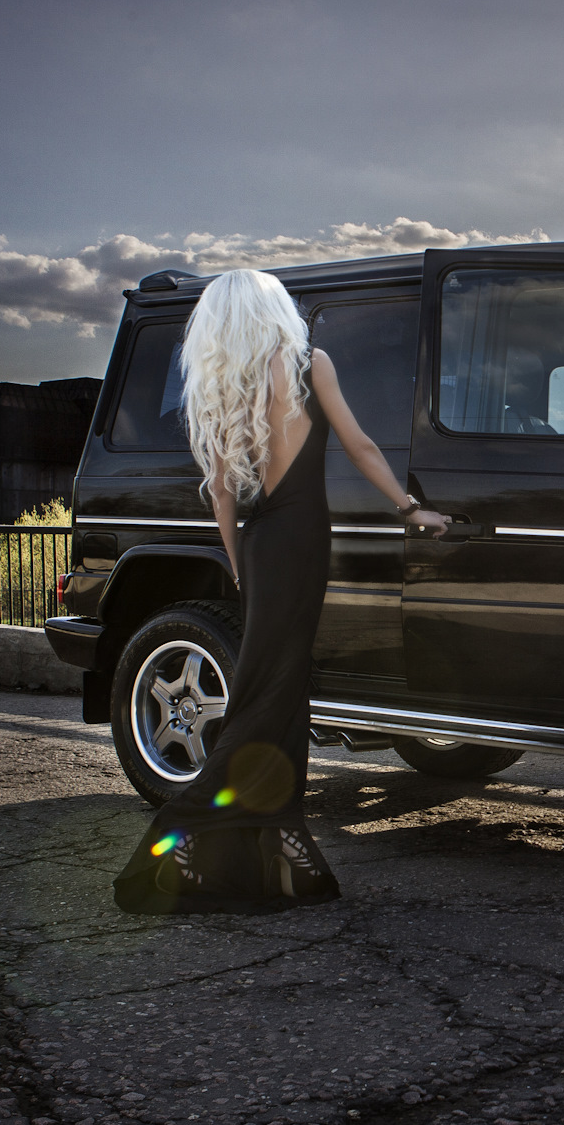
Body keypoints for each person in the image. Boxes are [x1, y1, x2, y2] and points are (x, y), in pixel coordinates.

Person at [113, 268, 449, 914]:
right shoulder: (306, 362)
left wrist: (241, 569)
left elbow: (221, 499)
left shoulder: (227, 386)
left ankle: (286, 844)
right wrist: (411, 508)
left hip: (263, 549)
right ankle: (178, 837)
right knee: (266, 701)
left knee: (286, 694)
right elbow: (360, 445)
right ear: (274, 311)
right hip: (302, 544)